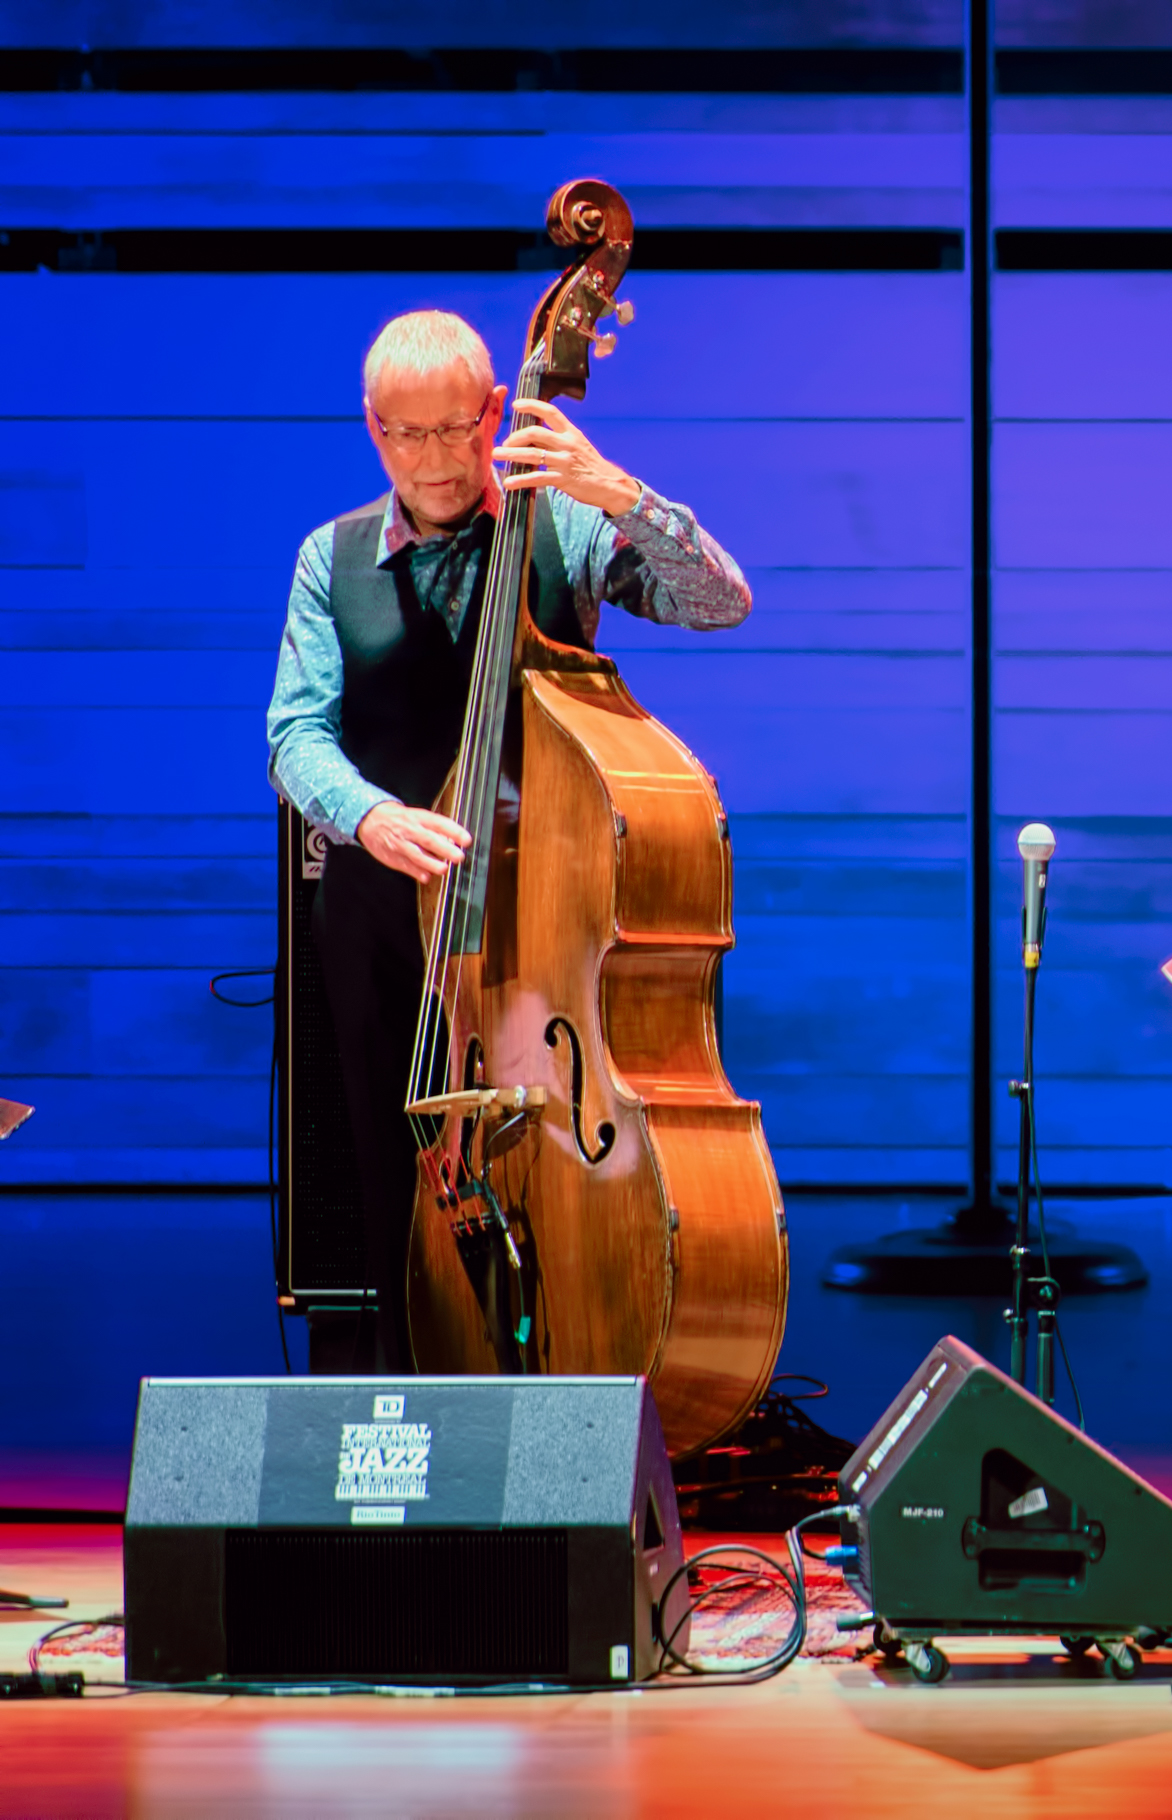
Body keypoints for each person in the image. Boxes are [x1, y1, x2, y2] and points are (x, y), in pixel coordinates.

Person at [267, 309, 751, 1372]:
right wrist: (369, 816)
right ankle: (415, 1408)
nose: (435, 459)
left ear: (496, 410)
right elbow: (294, 735)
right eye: (406, 435)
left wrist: (617, 491)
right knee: (391, 1182)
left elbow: (721, 600)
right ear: (372, 429)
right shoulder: (329, 557)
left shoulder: (562, 526)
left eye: (455, 429)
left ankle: (571, 1410)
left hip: (544, 919)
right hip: (386, 915)